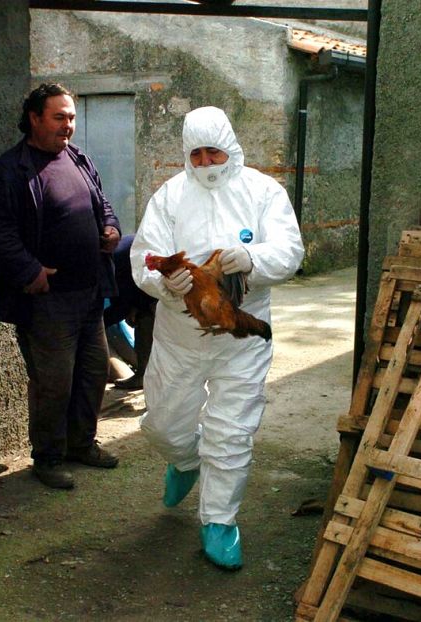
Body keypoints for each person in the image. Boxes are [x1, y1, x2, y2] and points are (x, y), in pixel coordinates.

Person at [129, 106, 304, 569]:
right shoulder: (169, 196)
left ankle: (220, 520)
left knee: (232, 432)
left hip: (239, 339)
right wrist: (166, 285)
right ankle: (185, 460)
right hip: (179, 337)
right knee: (163, 423)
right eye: (198, 155)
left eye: (215, 153)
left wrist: (251, 259)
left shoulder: (263, 191)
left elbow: (289, 250)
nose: (207, 163)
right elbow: (144, 256)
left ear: (232, 147)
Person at [0, 83, 121, 491]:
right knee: (54, 383)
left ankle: (82, 445)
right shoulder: (10, 170)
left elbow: (102, 203)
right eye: (59, 117)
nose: (68, 126)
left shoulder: (78, 159)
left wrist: (110, 228)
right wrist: (29, 272)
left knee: (92, 375)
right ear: (35, 118)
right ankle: (49, 457)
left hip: (89, 293)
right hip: (47, 301)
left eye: (71, 117)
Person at [103, 234, 156, 391]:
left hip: (157, 286)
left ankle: (145, 376)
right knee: (143, 317)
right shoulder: (114, 255)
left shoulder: (114, 262)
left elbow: (123, 306)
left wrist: (97, 323)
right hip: (147, 285)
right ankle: (144, 375)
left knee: (146, 320)